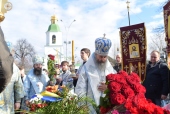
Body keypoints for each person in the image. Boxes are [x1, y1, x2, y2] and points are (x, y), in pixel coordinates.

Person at [75, 36, 117, 113]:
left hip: (107, 108)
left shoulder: (110, 69)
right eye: (101, 56)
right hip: (90, 107)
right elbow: (80, 88)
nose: (103, 59)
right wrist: (82, 105)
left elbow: (116, 85)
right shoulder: (86, 68)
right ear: (96, 54)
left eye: (105, 57)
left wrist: (108, 88)